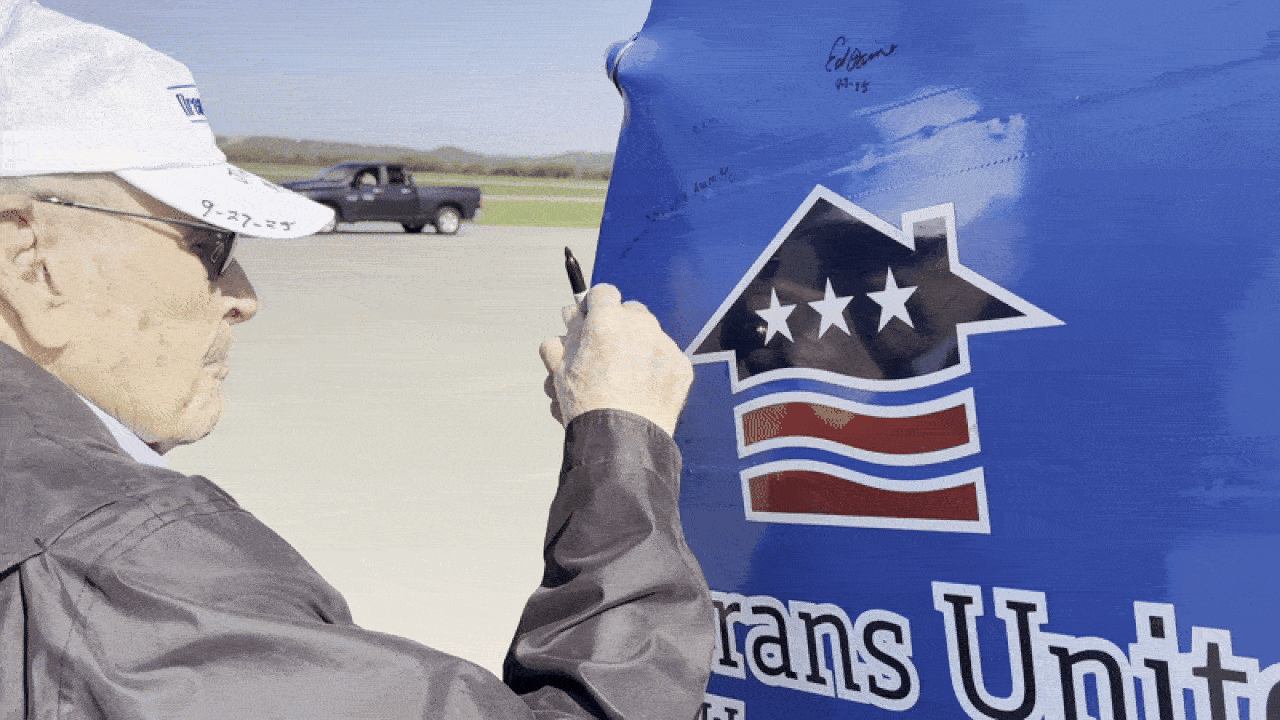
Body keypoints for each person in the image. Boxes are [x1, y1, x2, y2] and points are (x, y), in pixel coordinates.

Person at [0, 1, 714, 718]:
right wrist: (621, 436)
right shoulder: (118, 579)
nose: (242, 298)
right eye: (210, 245)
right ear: (32, 261)